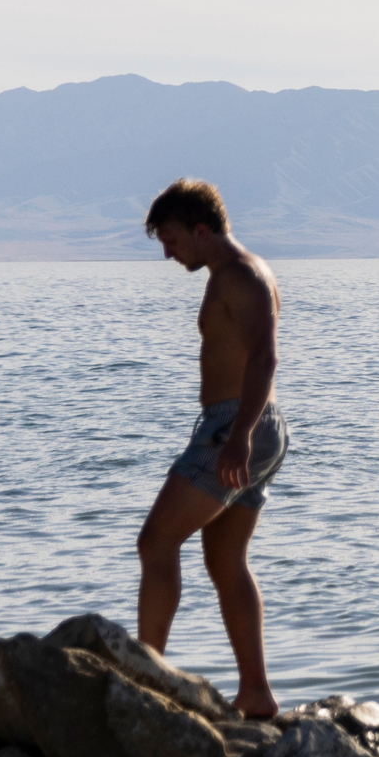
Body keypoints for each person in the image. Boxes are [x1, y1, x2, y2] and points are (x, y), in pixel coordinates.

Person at [134, 178, 286, 719]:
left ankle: (145, 681)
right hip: (250, 425)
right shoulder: (236, 272)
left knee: (155, 542)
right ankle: (257, 695)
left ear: (201, 229)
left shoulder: (240, 276)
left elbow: (265, 358)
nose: (169, 253)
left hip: (235, 425)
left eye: (173, 240)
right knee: (225, 560)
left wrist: (239, 434)